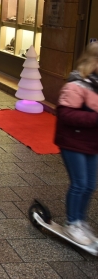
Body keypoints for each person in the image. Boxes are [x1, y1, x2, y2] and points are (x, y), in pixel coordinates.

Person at [54, 42, 98, 246]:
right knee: (79, 184)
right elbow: (65, 114)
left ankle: (80, 221)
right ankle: (72, 223)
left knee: (90, 185)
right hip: (72, 141)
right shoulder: (76, 84)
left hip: (91, 143)